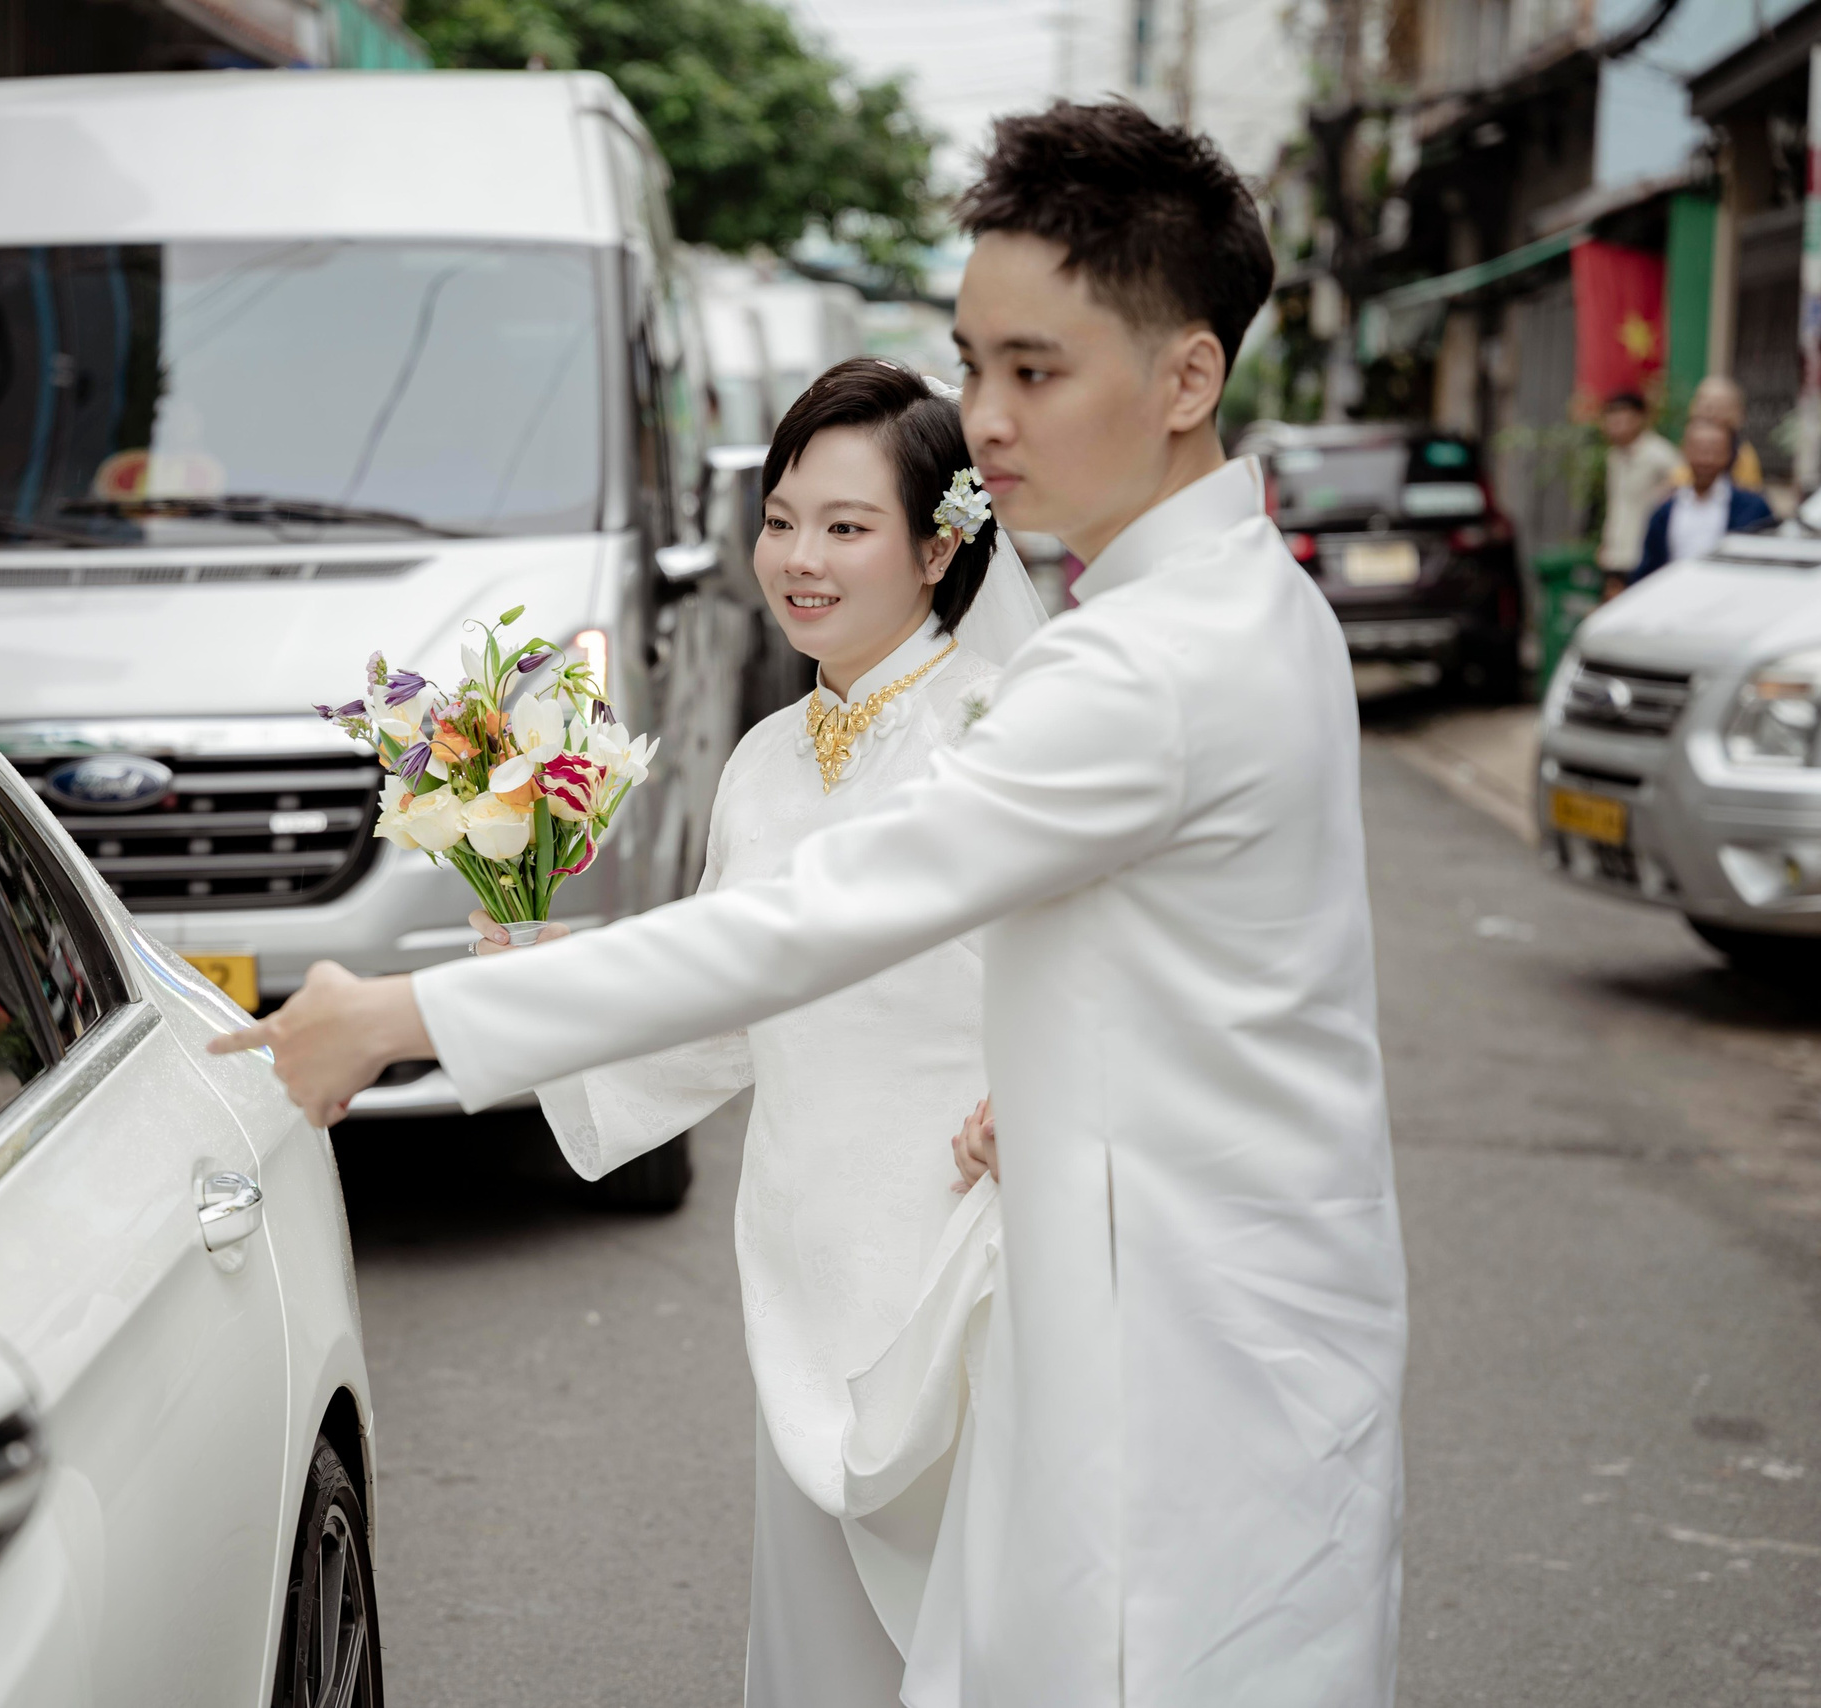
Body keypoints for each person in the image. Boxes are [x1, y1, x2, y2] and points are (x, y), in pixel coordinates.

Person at [216, 99, 1406, 1708]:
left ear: (1187, 378)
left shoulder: (1142, 668)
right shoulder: (1250, 606)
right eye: (973, 361)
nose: (982, 418)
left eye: (1034, 371)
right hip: (1190, 1340)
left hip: (1167, 1372)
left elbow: (806, 924)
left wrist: (398, 1017)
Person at [475, 356, 1044, 1705]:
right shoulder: (767, 759)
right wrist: (545, 979)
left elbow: (1115, 970)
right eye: (782, 518)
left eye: (846, 527)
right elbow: (725, 1009)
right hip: (812, 1262)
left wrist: (1050, 1091)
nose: (799, 558)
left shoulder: (1006, 739)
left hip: (976, 1268)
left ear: (941, 543)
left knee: (990, 1647)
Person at [1632, 415, 1774, 586]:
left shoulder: (1752, 509)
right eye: (1699, 450)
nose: (1706, 460)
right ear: (1685, 451)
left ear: (1730, 454)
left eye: (1715, 451)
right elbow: (1649, 569)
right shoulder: (1665, 511)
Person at [1597, 390, 1675, 587]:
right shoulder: (1614, 456)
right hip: (1615, 556)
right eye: (1611, 421)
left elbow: (1682, 490)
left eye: (1621, 420)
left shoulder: (1660, 454)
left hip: (1645, 556)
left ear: (1639, 419)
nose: (1615, 428)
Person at [1679, 374, 1766, 492]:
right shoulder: (1686, 445)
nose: (1709, 412)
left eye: (1718, 405)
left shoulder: (1743, 456)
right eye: (1703, 403)